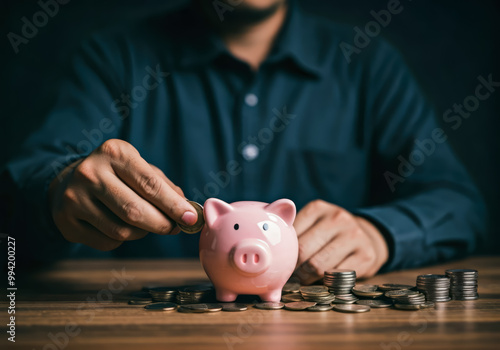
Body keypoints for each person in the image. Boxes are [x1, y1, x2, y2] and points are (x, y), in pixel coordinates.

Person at [2, 0, 486, 284]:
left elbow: (461, 204)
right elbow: (23, 195)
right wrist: (57, 192)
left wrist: (381, 234)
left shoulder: (367, 64)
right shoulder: (113, 59)